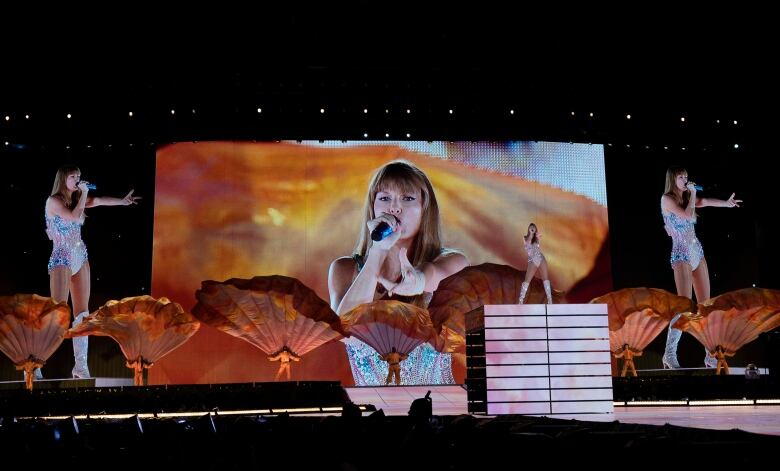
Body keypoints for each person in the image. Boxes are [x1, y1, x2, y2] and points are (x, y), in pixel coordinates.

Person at [328, 160, 469, 386]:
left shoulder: (451, 262)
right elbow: (345, 329)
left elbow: (433, 274)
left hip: (435, 409)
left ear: (425, 208)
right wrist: (378, 251)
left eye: (407, 198)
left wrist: (419, 281)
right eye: (385, 198)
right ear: (373, 207)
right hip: (373, 412)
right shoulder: (344, 270)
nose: (394, 208)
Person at [39, 165, 141, 380]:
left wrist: (122, 202)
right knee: (58, 314)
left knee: (82, 315)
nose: (77, 179)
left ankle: (80, 366)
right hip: (61, 257)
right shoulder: (53, 201)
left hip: (79, 255)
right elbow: (74, 218)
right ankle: (36, 360)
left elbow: (100, 200)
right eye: (73, 176)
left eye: (79, 176)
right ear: (63, 179)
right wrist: (84, 193)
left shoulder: (77, 199)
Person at [660, 165, 741, 369]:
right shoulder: (667, 199)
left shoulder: (688, 198)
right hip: (681, 254)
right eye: (681, 176)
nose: (685, 179)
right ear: (673, 179)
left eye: (687, 176)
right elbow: (688, 216)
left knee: (706, 306)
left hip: (697, 251)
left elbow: (704, 202)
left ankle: (709, 355)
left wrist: (726, 203)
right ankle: (669, 354)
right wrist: (693, 193)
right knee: (684, 306)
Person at [517, 223, 553, 304]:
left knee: (546, 279)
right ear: (528, 228)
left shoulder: (537, 238)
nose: (532, 228)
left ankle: (550, 300)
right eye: (531, 227)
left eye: (534, 227)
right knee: (527, 280)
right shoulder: (525, 238)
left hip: (540, 258)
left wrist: (536, 235)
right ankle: (521, 300)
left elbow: (539, 238)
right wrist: (531, 233)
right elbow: (528, 242)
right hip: (532, 260)